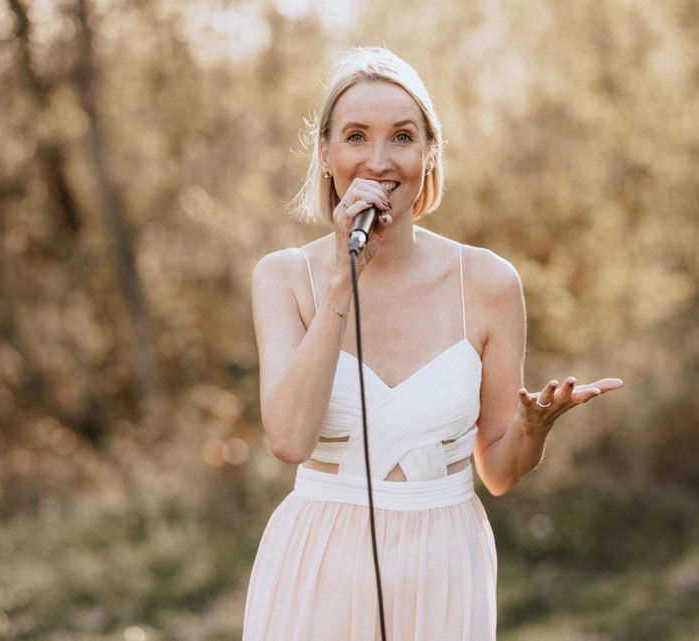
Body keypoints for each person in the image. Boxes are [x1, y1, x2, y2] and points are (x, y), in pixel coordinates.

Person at [243, 47, 622, 641]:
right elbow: (289, 439)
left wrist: (532, 431)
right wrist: (343, 284)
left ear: (429, 152)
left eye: (401, 136)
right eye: (355, 137)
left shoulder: (489, 283)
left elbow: (497, 472)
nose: (378, 159)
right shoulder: (284, 277)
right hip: (318, 566)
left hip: (445, 565)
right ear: (325, 153)